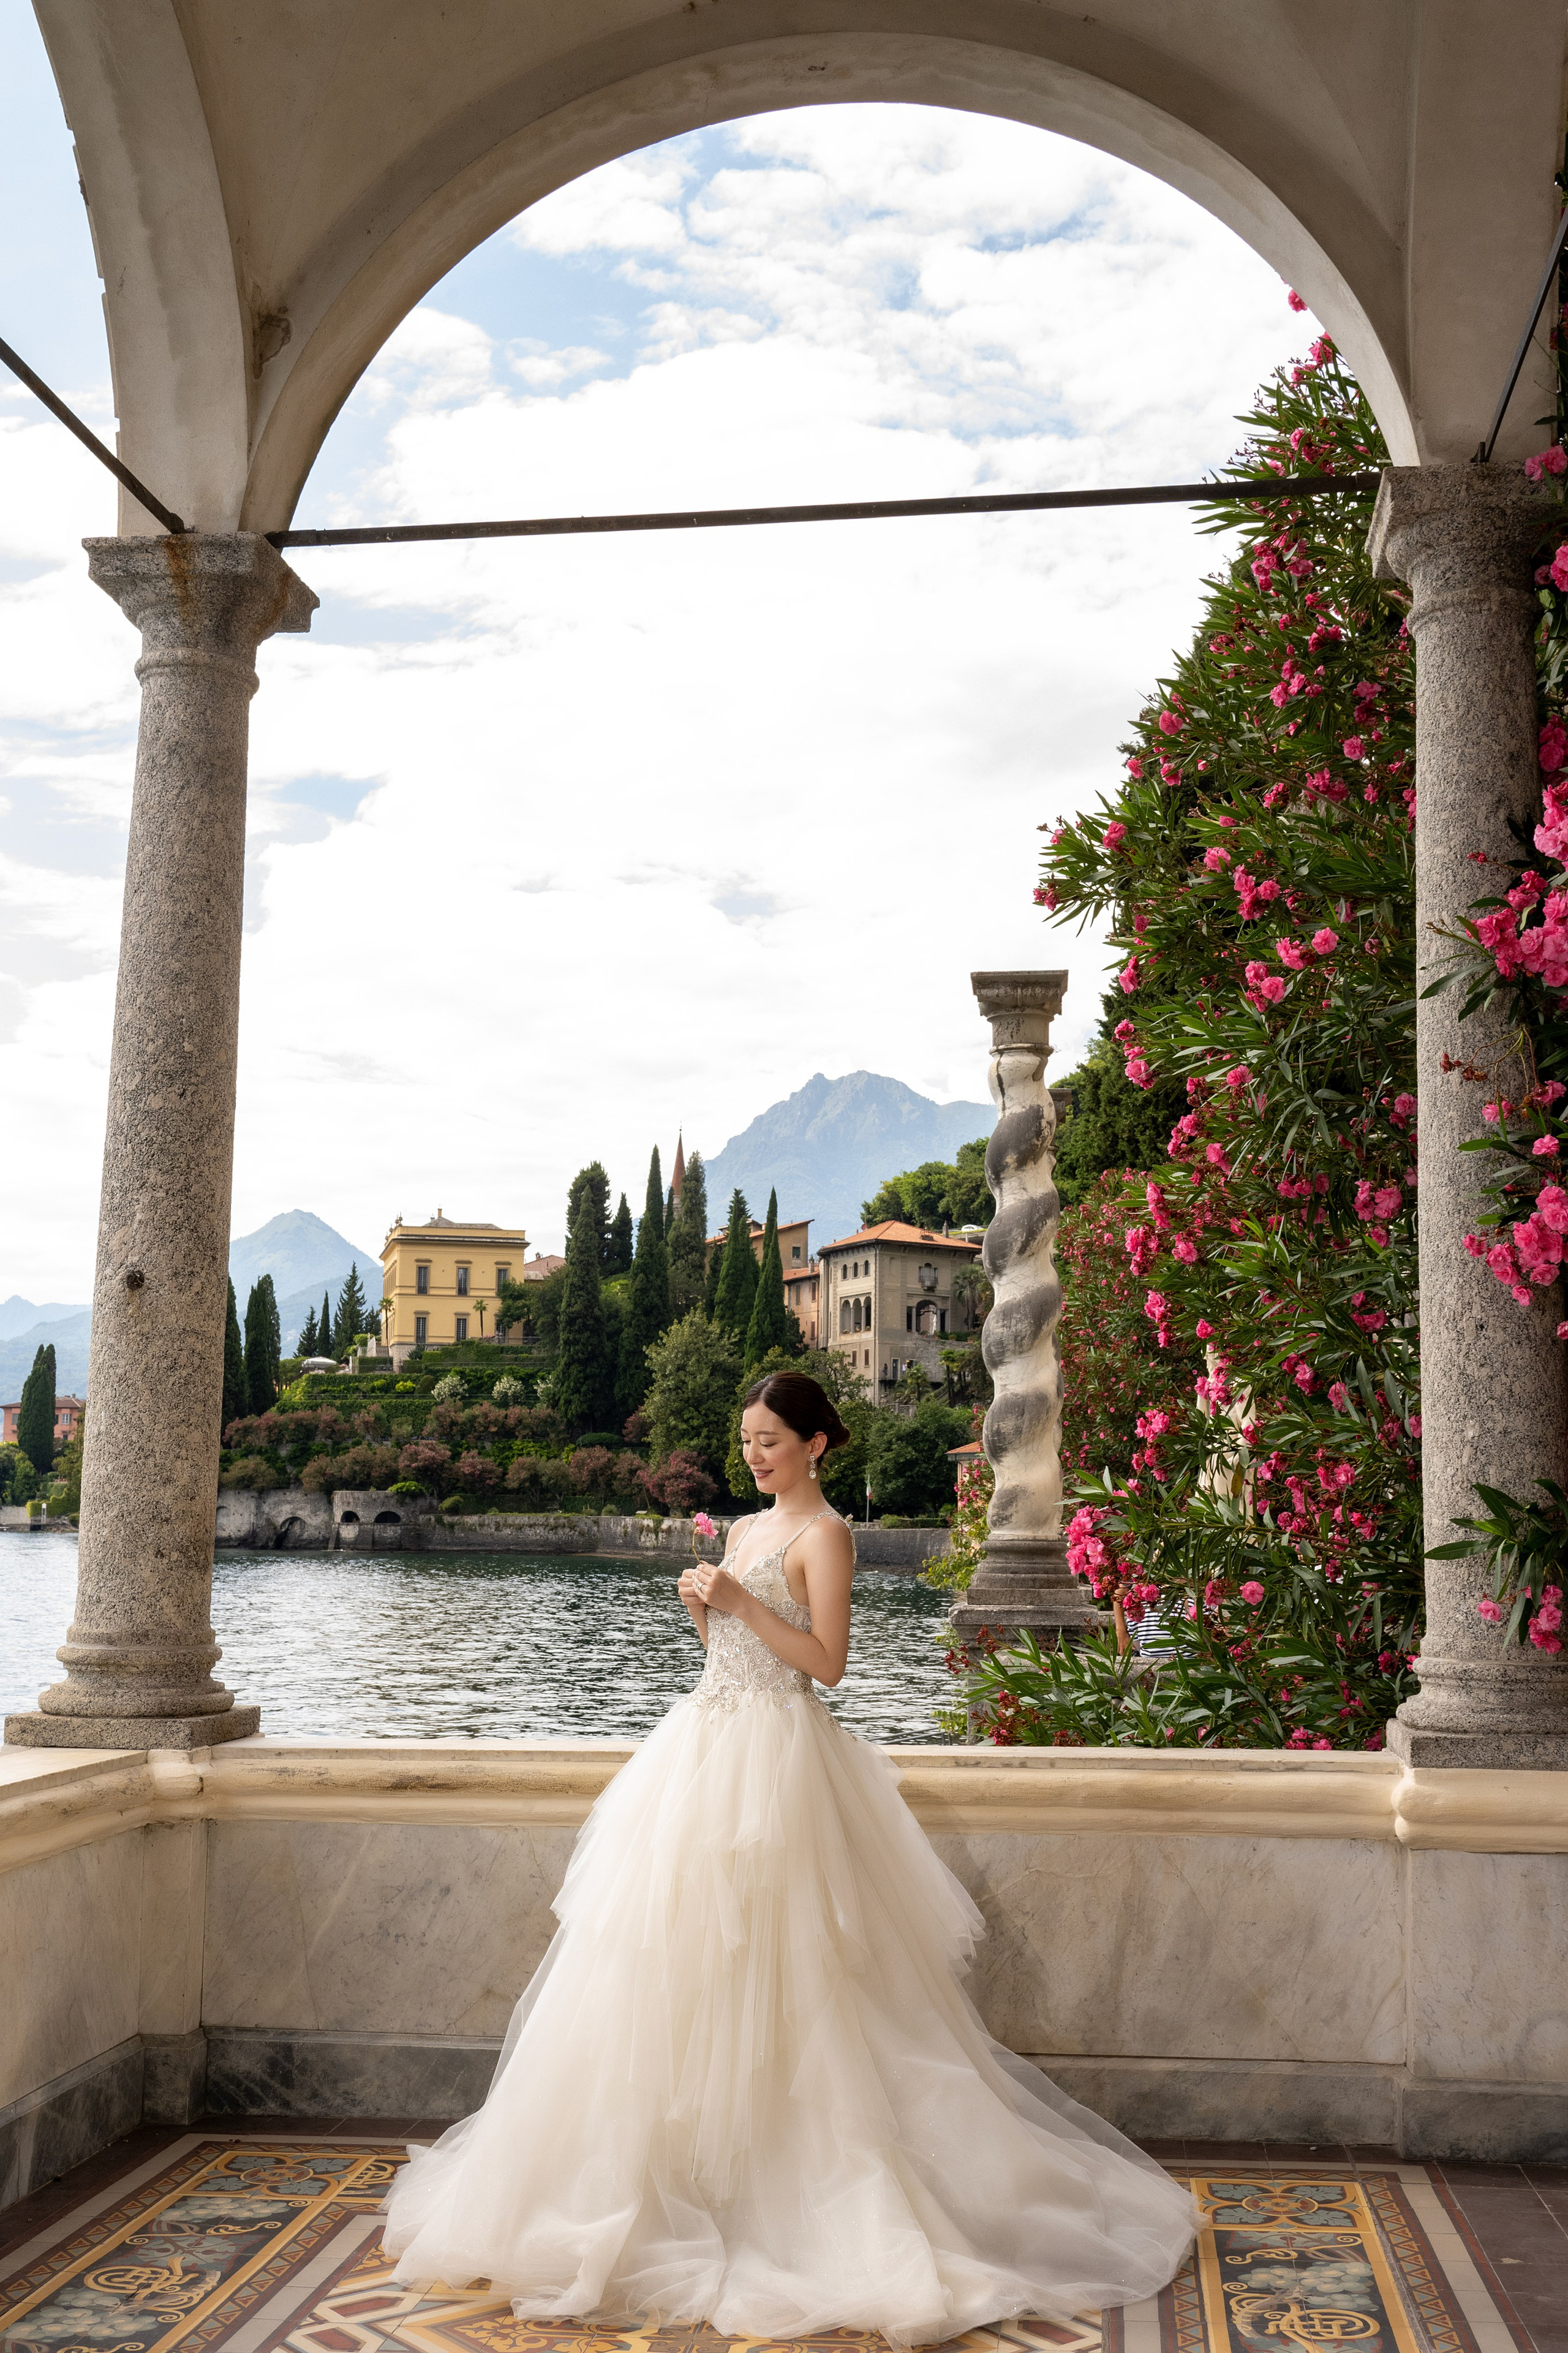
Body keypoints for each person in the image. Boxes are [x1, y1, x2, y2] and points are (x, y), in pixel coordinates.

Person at [380, 1369, 1194, 2343]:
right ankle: (670, 2183)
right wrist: (705, 1604)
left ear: (815, 1442)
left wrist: (738, 1602)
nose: (754, 1452)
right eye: (747, 1437)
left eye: (770, 1438)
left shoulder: (826, 1534)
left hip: (781, 1764)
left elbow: (825, 1663)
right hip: (705, 1752)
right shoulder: (741, 1529)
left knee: (797, 1981)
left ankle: (802, 2193)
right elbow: (726, 1649)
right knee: (674, 1970)